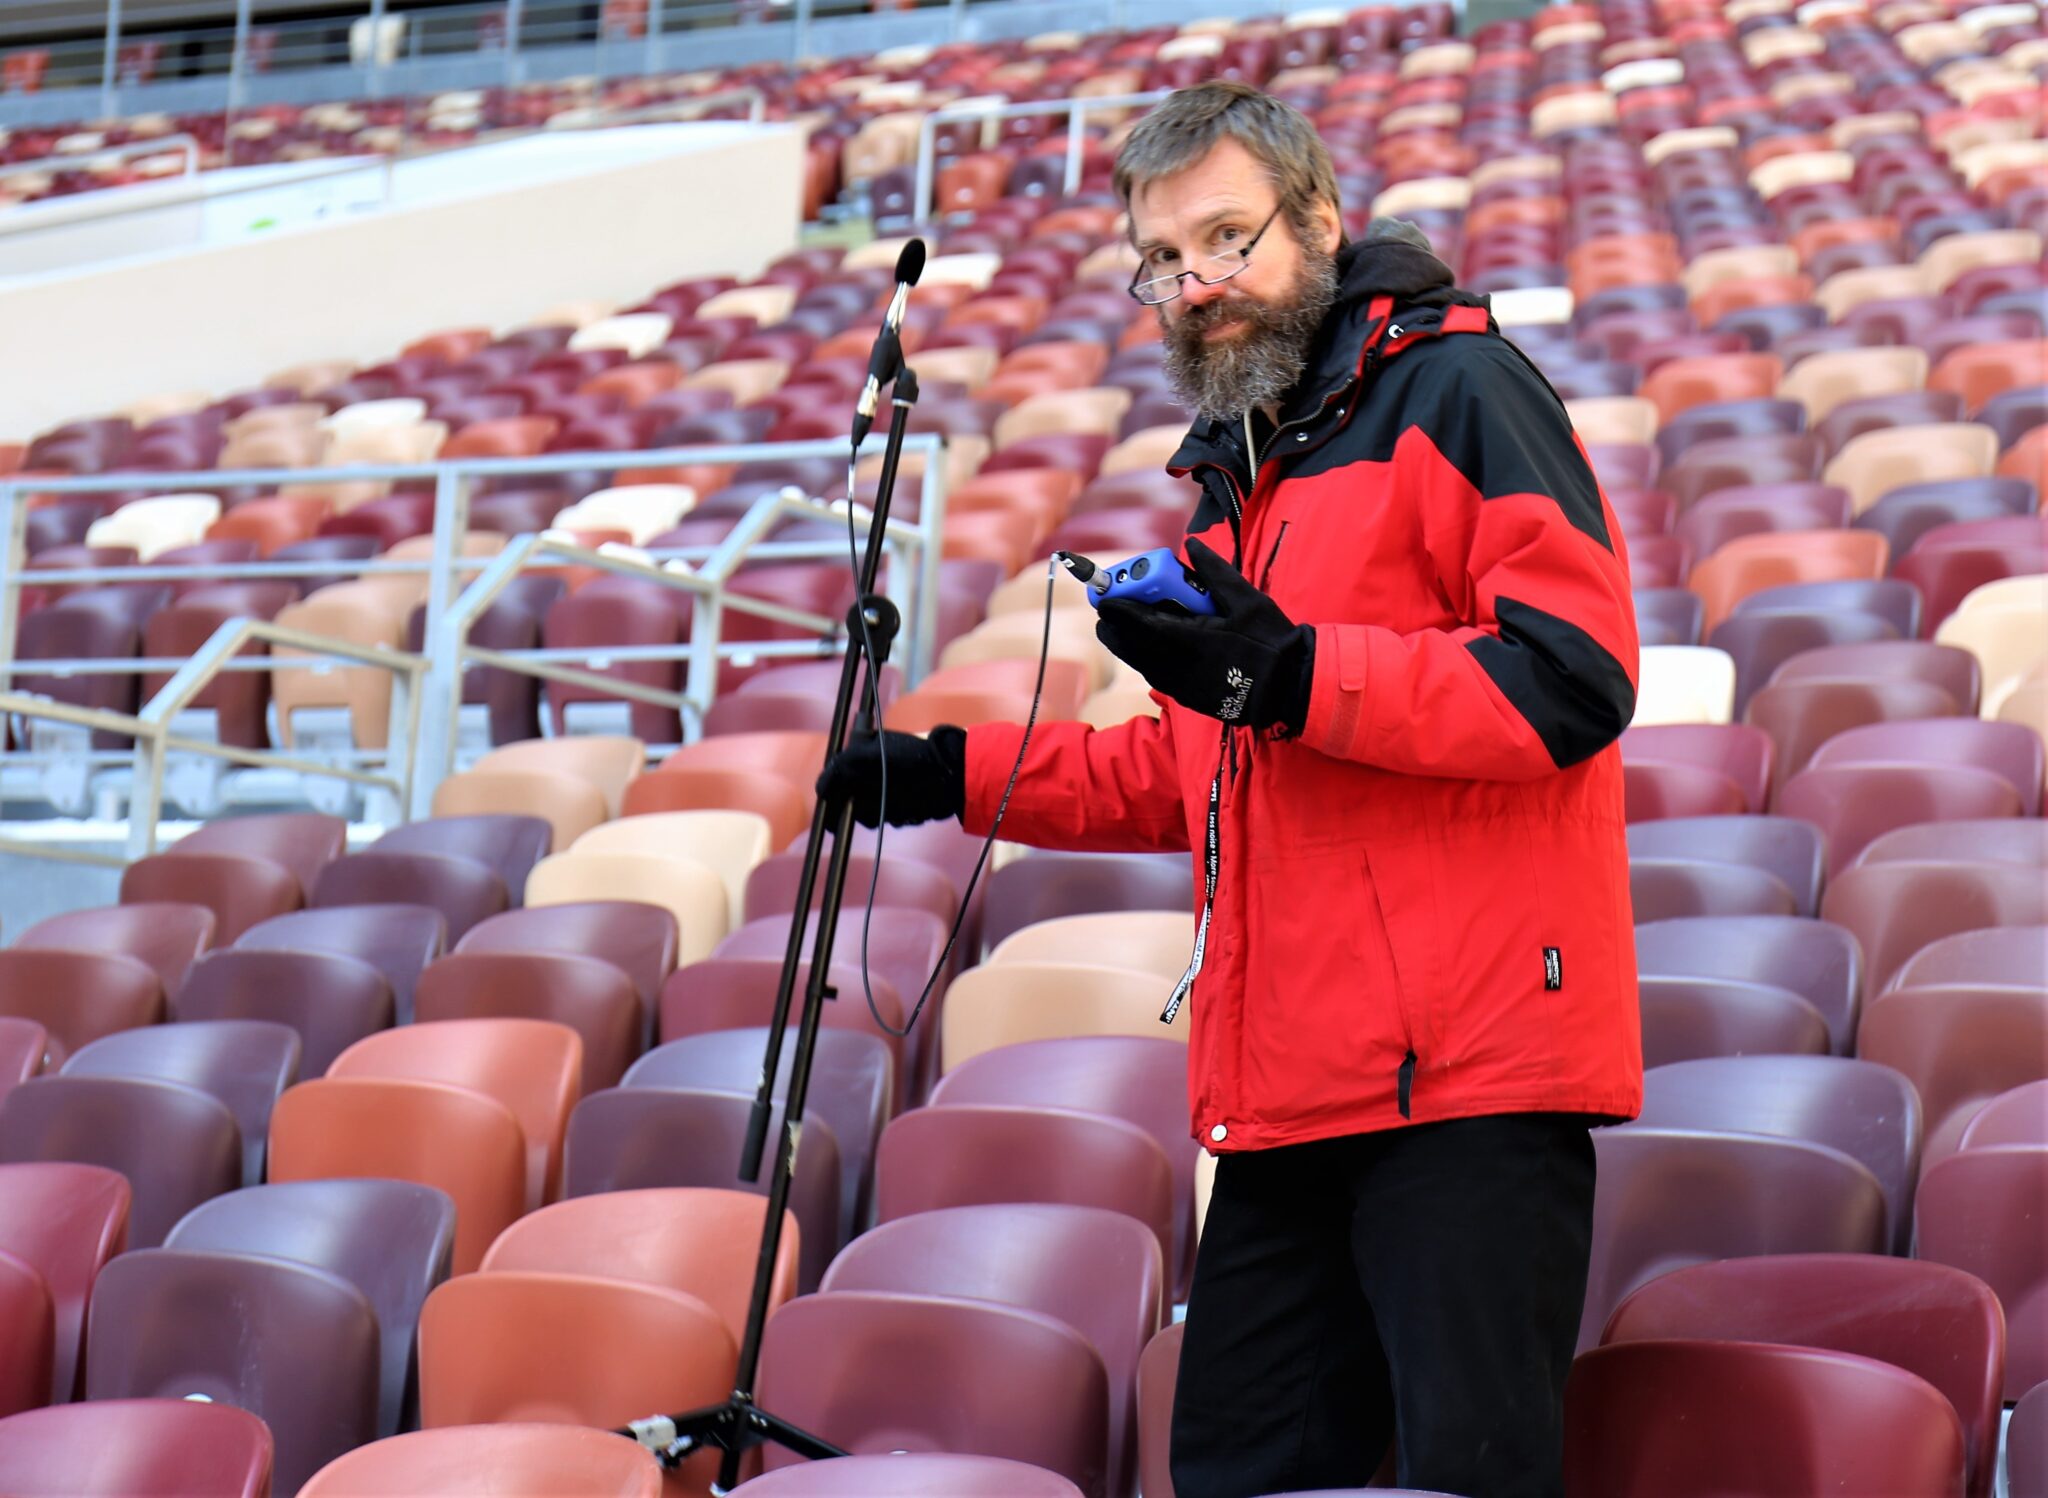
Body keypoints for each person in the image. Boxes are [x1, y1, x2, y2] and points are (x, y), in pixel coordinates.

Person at [818, 81, 1642, 1498]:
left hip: (1469, 1089)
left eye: (1228, 239)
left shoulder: (1462, 391)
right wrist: (951, 770)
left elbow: (1571, 677)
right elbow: (1188, 765)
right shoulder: (1243, 472)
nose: (1198, 285)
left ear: (1319, 219)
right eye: (1164, 259)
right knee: (1233, 1468)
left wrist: (1298, 670)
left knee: (1474, 1476)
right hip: (1286, 1097)